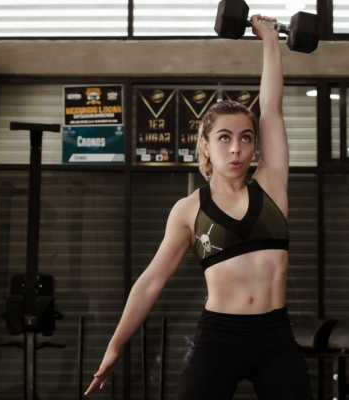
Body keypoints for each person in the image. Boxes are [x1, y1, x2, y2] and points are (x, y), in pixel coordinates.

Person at [85, 14, 314, 400]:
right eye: (224, 138)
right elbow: (151, 281)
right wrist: (115, 345)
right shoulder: (189, 210)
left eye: (245, 138)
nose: (236, 148)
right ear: (206, 145)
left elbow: (271, 108)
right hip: (219, 339)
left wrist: (271, 41)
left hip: (275, 338)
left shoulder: (272, 183)